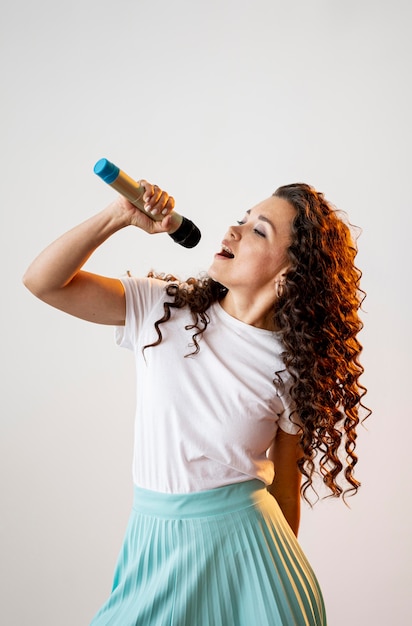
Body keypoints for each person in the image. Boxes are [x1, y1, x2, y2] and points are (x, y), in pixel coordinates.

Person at [23, 177, 369, 626]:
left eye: (258, 231)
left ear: (290, 272)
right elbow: (43, 282)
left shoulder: (293, 369)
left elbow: (284, 493)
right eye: (242, 219)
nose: (233, 230)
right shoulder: (162, 309)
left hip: (254, 559)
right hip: (154, 544)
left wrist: (275, 590)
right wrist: (118, 216)